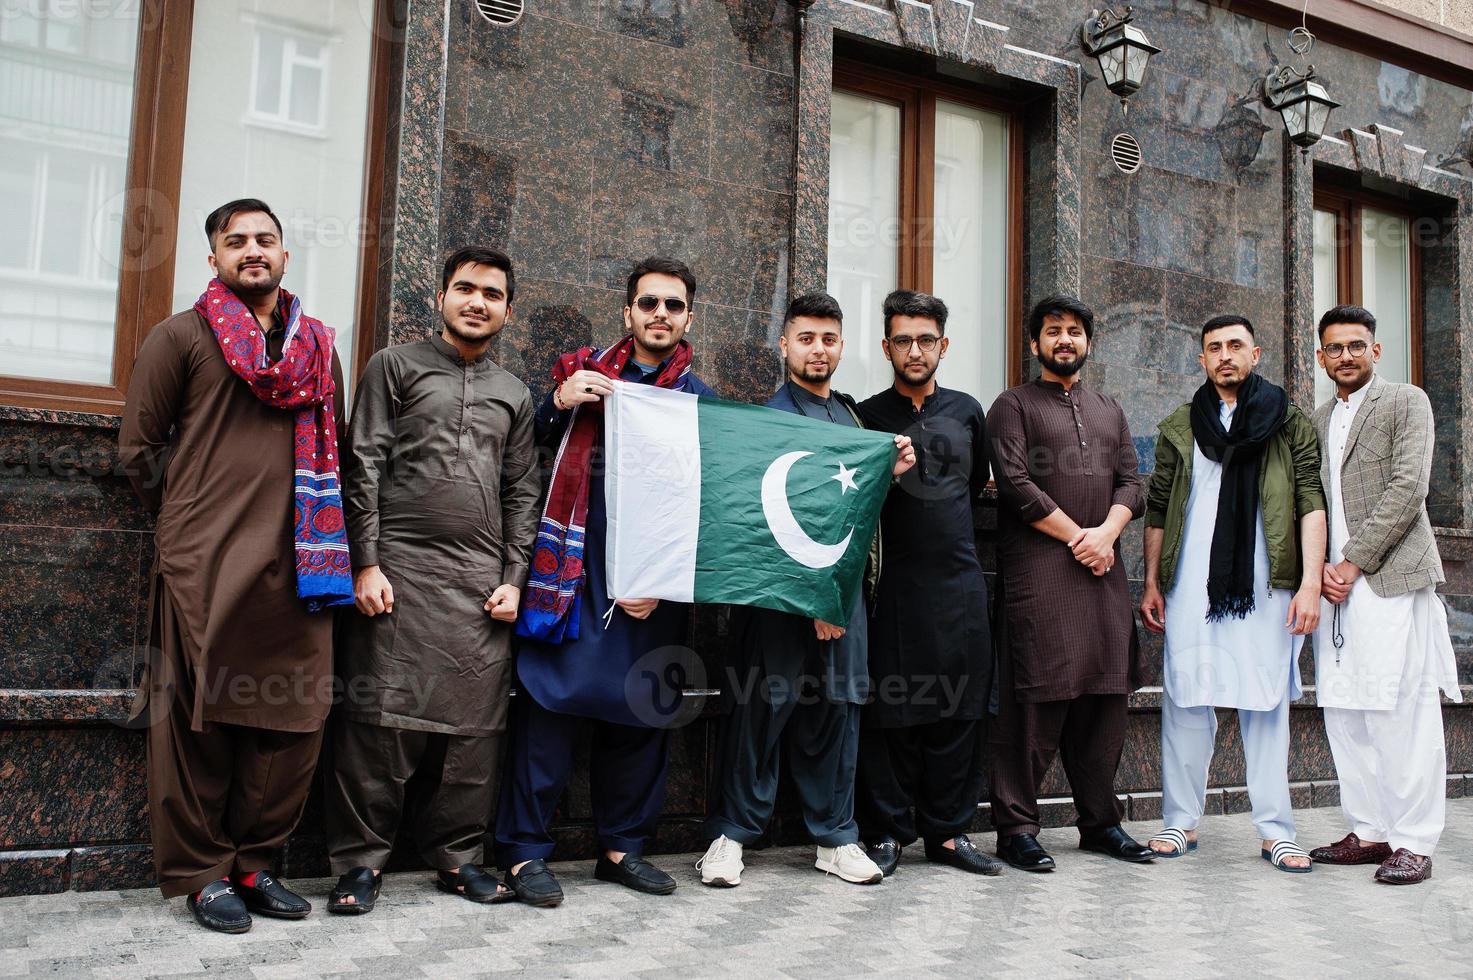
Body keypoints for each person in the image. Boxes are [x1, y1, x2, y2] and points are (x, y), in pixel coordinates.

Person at [119, 198, 350, 933]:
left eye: (266, 240)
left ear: (285, 255)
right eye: (236, 241)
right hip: (203, 565)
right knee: (198, 723)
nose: (253, 250)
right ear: (213, 258)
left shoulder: (317, 348)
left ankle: (254, 863)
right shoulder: (179, 337)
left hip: (301, 564)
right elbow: (139, 451)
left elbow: (338, 453)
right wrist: (197, 517)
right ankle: (201, 873)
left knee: (294, 722)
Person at [323, 246, 541, 912]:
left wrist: (515, 576)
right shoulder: (394, 366)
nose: (477, 302)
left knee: (472, 736)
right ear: (440, 297)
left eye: (492, 294)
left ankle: (459, 858)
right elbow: (361, 465)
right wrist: (365, 560)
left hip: (480, 583)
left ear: (507, 308)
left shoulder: (513, 393)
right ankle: (359, 865)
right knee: (378, 726)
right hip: (399, 571)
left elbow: (522, 490)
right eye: (465, 289)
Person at [493, 256, 716, 907]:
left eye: (672, 305)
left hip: (650, 586)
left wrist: (667, 580)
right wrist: (556, 405)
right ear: (628, 312)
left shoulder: (696, 399)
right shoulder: (580, 379)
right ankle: (524, 853)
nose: (659, 314)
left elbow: (709, 503)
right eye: (648, 303)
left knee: (638, 715)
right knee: (548, 710)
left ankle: (623, 849)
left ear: (687, 318)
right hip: (570, 572)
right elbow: (525, 454)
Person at [698, 291, 915, 888]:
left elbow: (853, 510)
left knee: (837, 716)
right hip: (779, 600)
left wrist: (889, 474)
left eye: (828, 339)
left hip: (844, 597)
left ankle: (835, 836)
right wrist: (817, 596)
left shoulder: (852, 420)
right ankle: (732, 836)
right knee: (760, 714)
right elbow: (765, 514)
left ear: (842, 347)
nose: (817, 349)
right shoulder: (764, 419)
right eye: (806, 338)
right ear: (784, 344)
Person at [1141, 314, 1326, 873]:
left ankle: (1276, 831)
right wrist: (1151, 580)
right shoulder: (1180, 424)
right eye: (1214, 347)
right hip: (1191, 587)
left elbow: (1310, 499)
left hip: (1266, 587)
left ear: (1256, 353)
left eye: (1236, 346)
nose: (1225, 355)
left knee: (1265, 702)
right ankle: (1179, 822)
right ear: (1201, 359)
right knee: (1186, 698)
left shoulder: (1287, 420)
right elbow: (1156, 507)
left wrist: (1310, 583)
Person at [987, 295, 1152, 872]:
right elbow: (1014, 483)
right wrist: (1079, 538)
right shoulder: (1013, 406)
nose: (1065, 340)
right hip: (1041, 576)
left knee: (1106, 700)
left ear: (1088, 343)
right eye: (1054, 331)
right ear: (1034, 344)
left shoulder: (1109, 408)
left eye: (1075, 331)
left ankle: (1101, 822)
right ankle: (1016, 828)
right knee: (1036, 702)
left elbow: (1133, 482)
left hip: (1103, 575)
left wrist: (1105, 535)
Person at [1306, 304, 1461, 885]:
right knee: (1347, 710)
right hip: (1333, 587)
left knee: (1403, 710)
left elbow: (1409, 487)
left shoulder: (1406, 402)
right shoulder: (1319, 418)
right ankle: (1369, 830)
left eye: (1356, 345)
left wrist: (1352, 562)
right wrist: (1321, 569)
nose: (1345, 356)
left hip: (1388, 578)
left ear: (1376, 351)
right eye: (1334, 348)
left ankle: (1415, 841)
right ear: (1321, 358)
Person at [853, 290, 999, 877]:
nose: (915, 351)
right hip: (893, 585)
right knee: (891, 713)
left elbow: (977, 486)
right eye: (903, 341)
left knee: (959, 711)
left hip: (960, 581)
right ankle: (887, 833)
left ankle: (948, 832)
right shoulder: (865, 416)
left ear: (944, 345)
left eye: (926, 340)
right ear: (886, 347)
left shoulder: (968, 411)